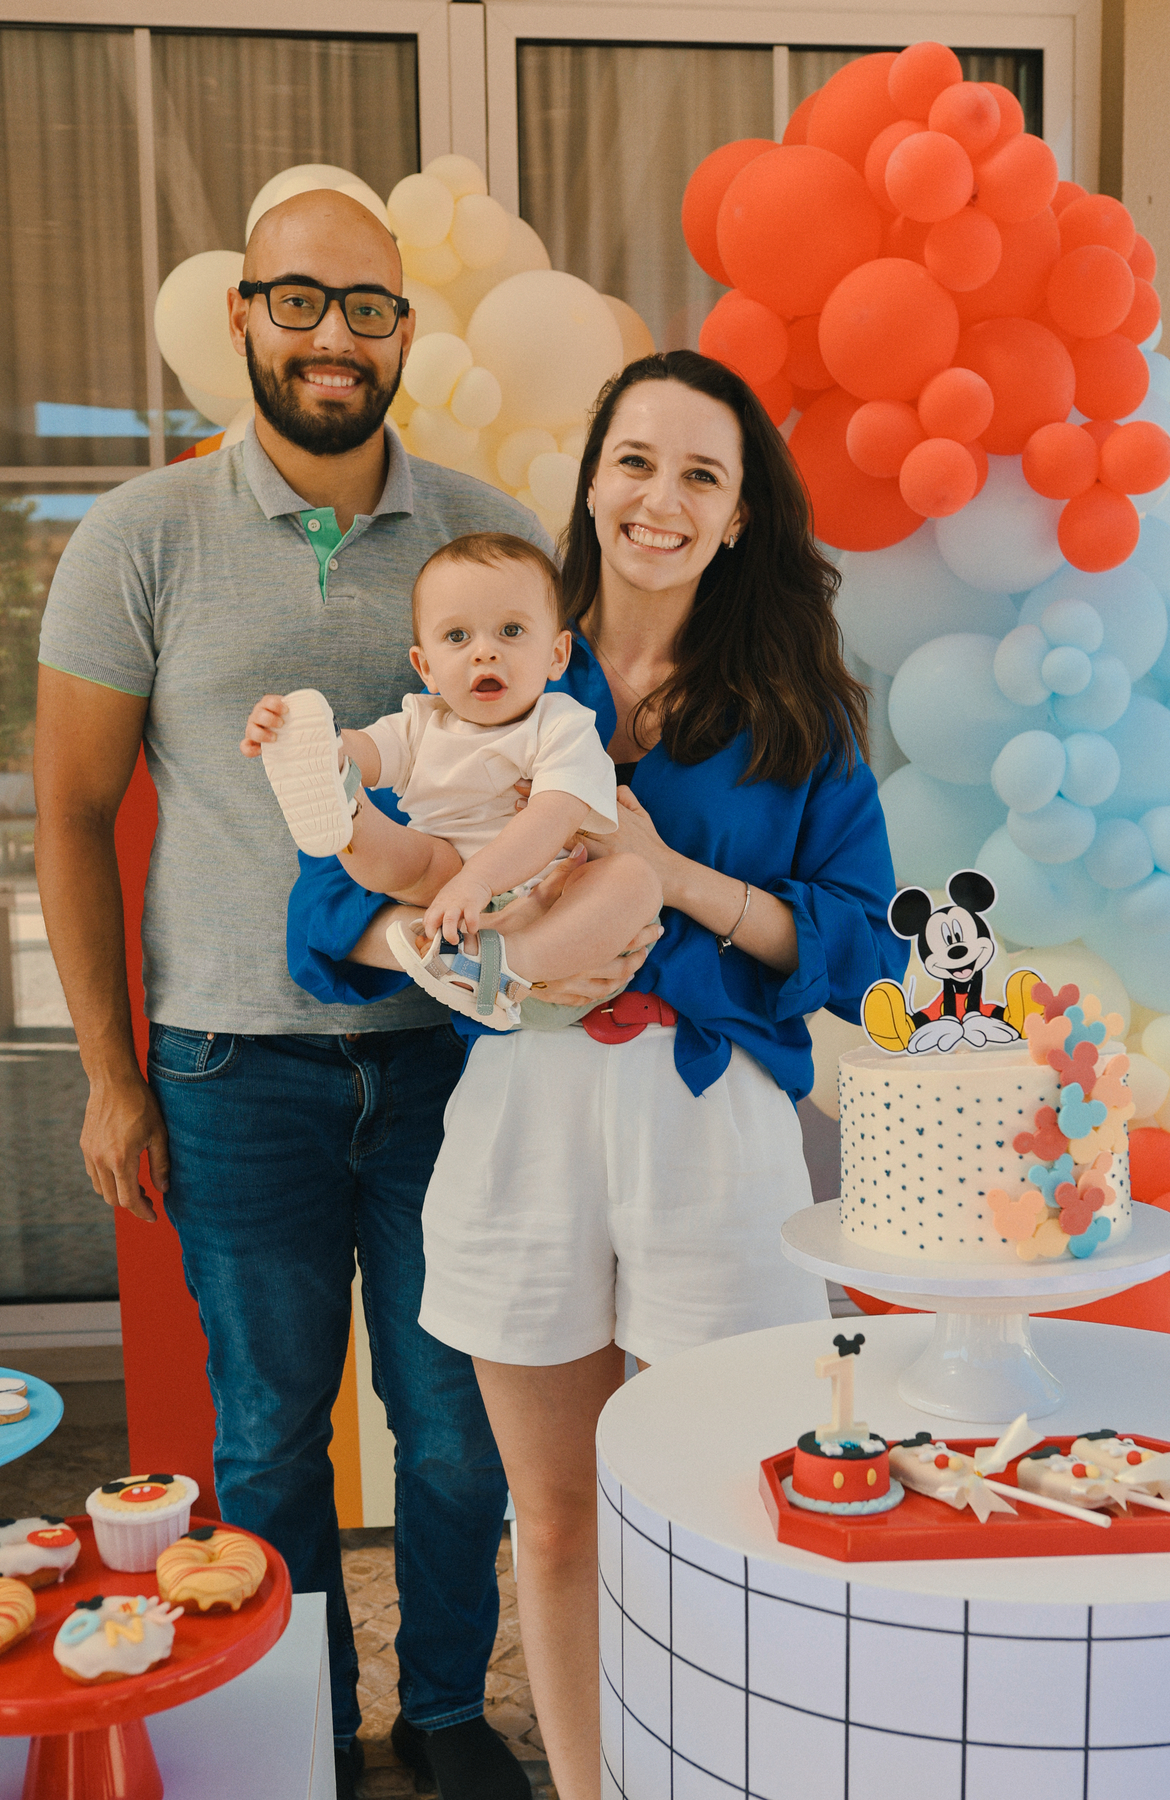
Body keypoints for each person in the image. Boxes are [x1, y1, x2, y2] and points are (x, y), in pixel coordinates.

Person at [31, 187, 654, 1800]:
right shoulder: (141, 537)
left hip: (458, 1063)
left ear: (404, 332)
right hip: (232, 1070)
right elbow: (72, 815)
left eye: (367, 307)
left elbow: (575, 775)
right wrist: (110, 1073)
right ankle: (291, 1732)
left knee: (452, 1430)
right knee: (264, 1435)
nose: (333, 336)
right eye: (299, 300)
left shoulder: (482, 536)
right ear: (244, 313)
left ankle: (446, 1711)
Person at [286, 350, 907, 1800]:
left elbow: (869, 950)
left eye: (702, 473)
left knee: (734, 1509)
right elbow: (325, 903)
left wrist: (675, 877)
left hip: (714, 1129)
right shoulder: (491, 650)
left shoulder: (798, 704)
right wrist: (444, 948)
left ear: (741, 515)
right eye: (636, 460)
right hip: (523, 1121)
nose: (660, 499)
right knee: (556, 1521)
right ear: (592, 480)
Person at [241, 533, 661, 1028]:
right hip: (447, 897)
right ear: (427, 668)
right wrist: (309, 742)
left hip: (558, 921)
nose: (484, 652)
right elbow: (370, 749)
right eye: (458, 637)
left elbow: (552, 817)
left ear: (557, 655)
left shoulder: (563, 726)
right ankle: (346, 803)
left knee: (636, 881)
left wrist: (477, 882)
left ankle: (505, 963)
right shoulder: (421, 722)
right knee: (418, 856)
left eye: (510, 631)